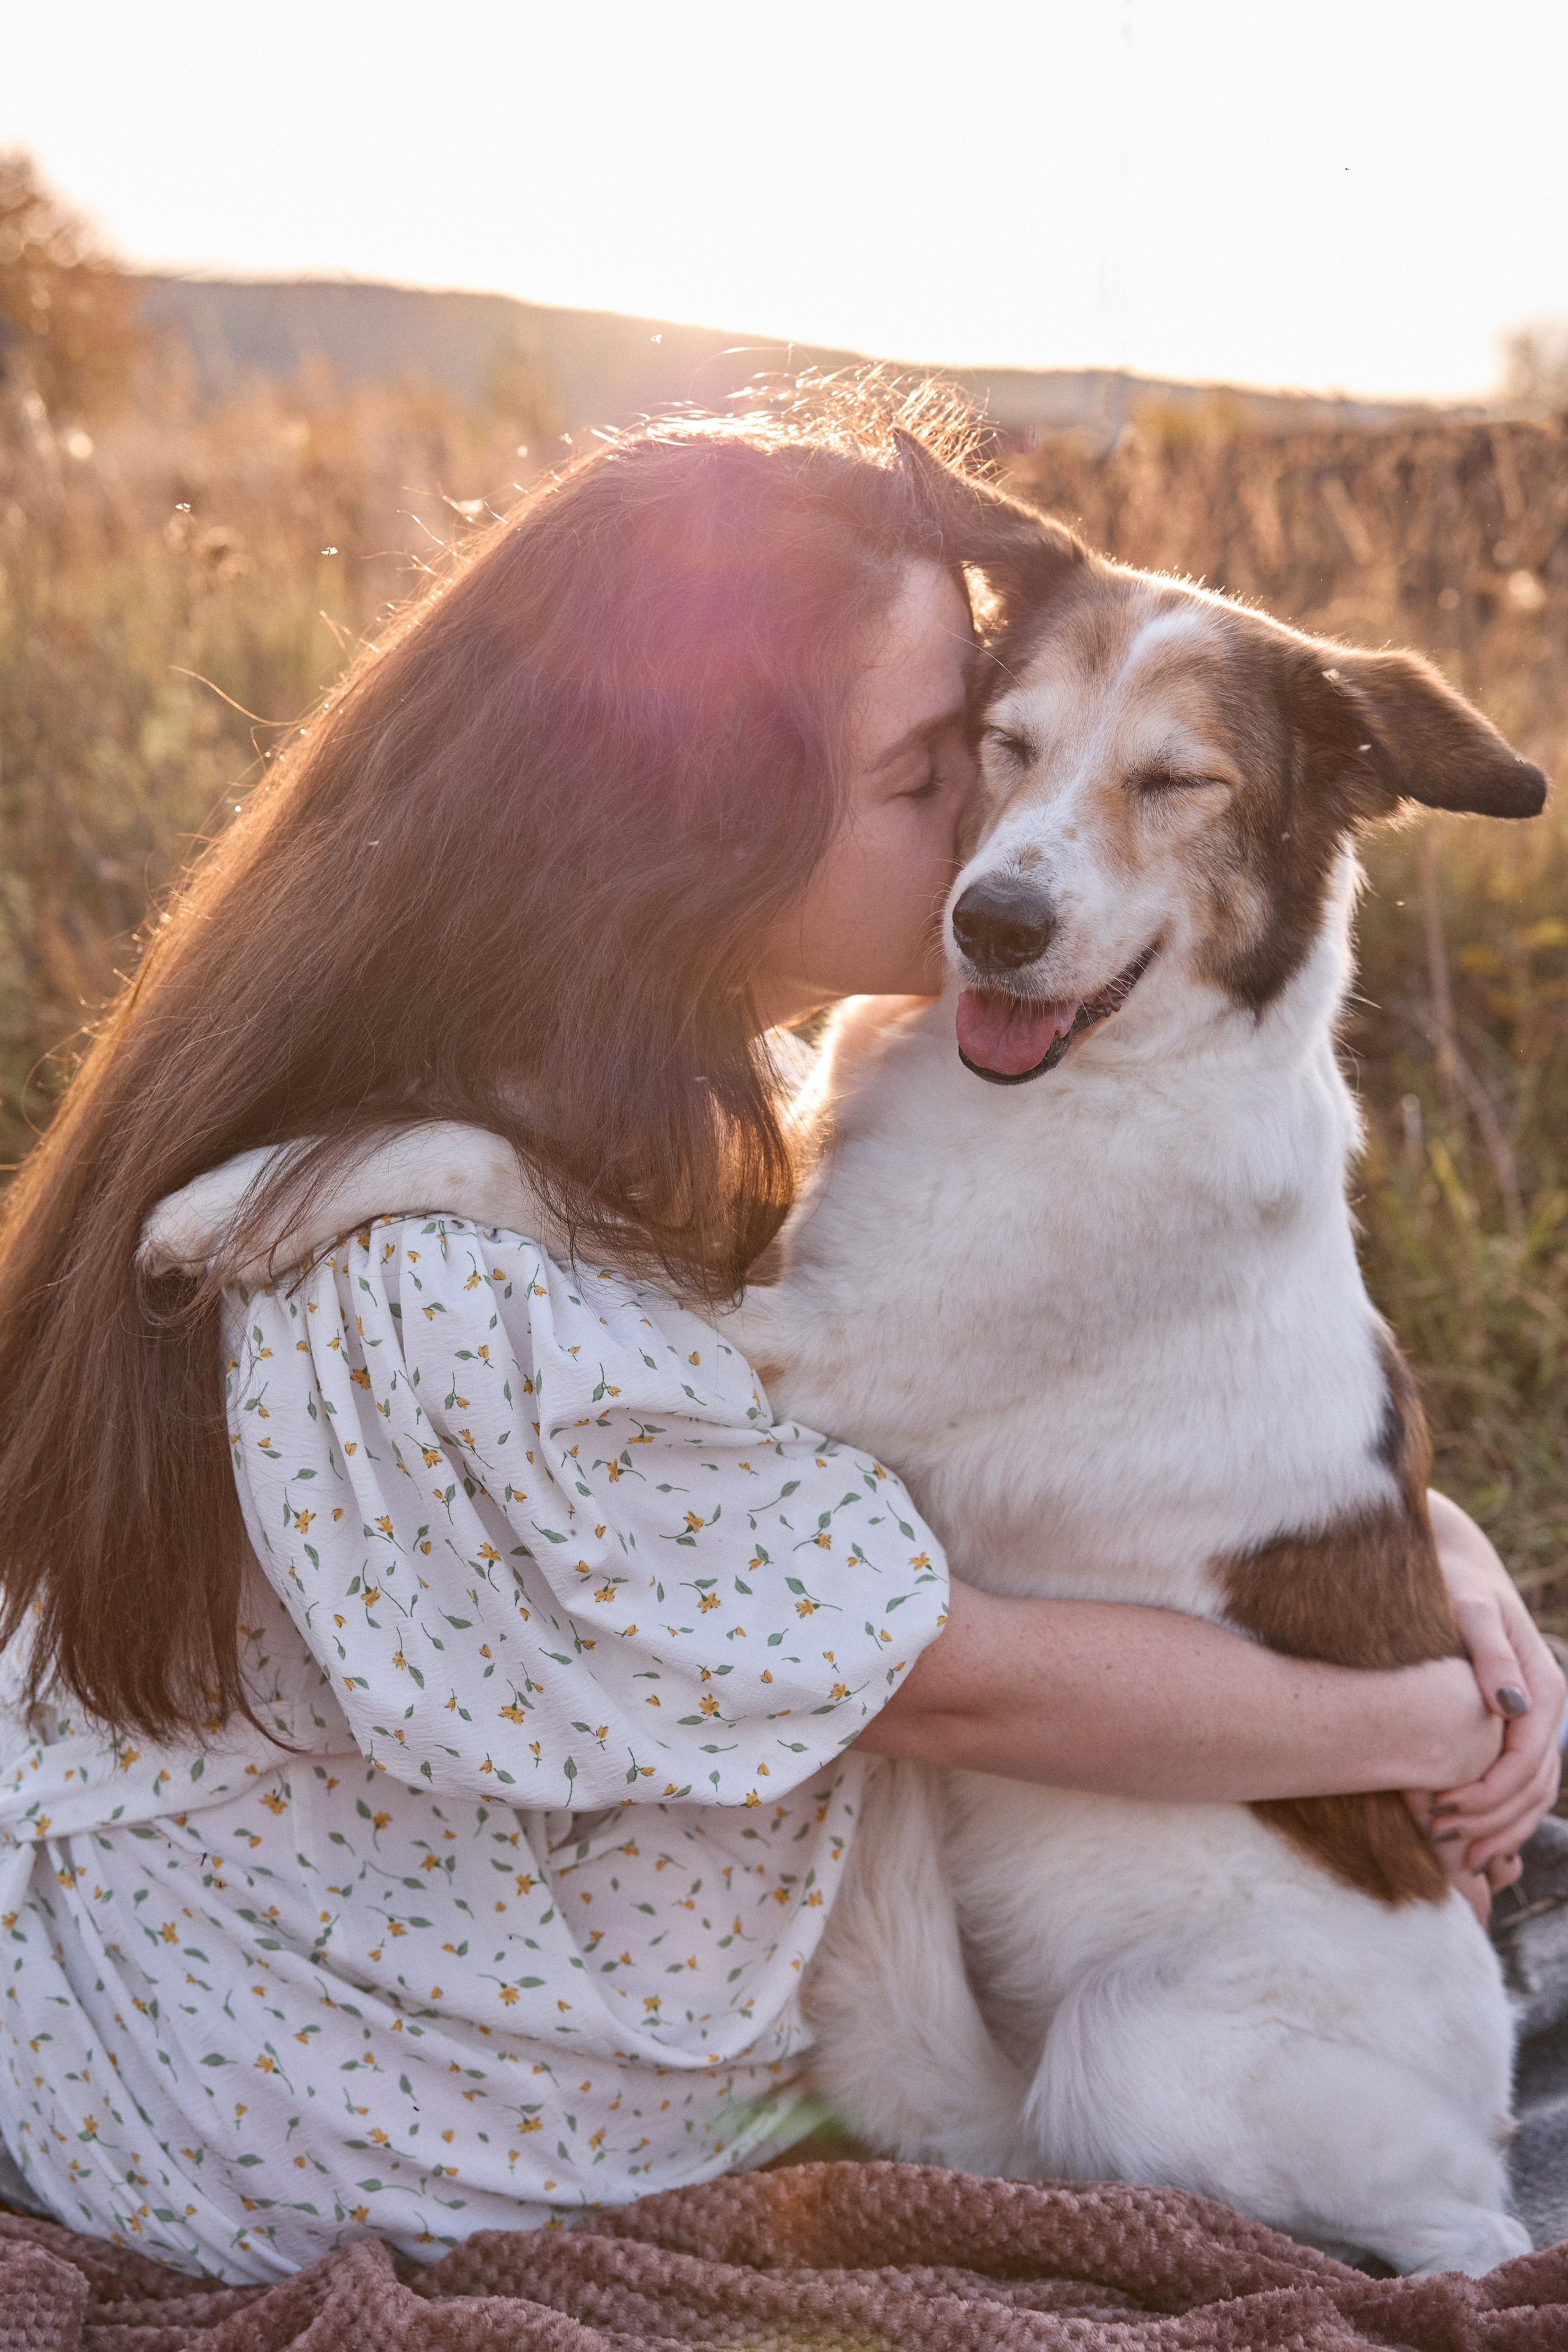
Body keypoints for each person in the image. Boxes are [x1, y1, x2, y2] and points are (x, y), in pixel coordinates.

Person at [0, 388, 1558, 2286]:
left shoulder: (625, 1067)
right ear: (699, 807)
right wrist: (1408, 1711)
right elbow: (937, 1667)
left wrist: (1451, 1567)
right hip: (348, 2103)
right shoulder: (436, 1279)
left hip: (390, 1969)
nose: (1001, 852)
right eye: (957, 769)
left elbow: (1188, 1415)